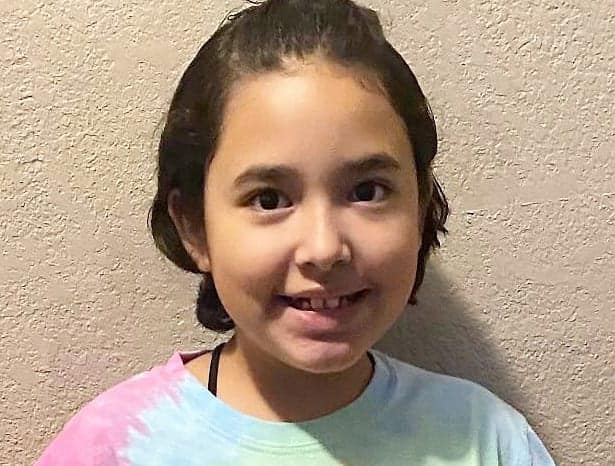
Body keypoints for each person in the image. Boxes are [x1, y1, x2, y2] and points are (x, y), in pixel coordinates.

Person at [35, 0, 556, 464]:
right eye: (269, 200)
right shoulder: (111, 447)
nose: (324, 249)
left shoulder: (486, 440)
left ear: (419, 207)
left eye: (367, 191)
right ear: (195, 228)